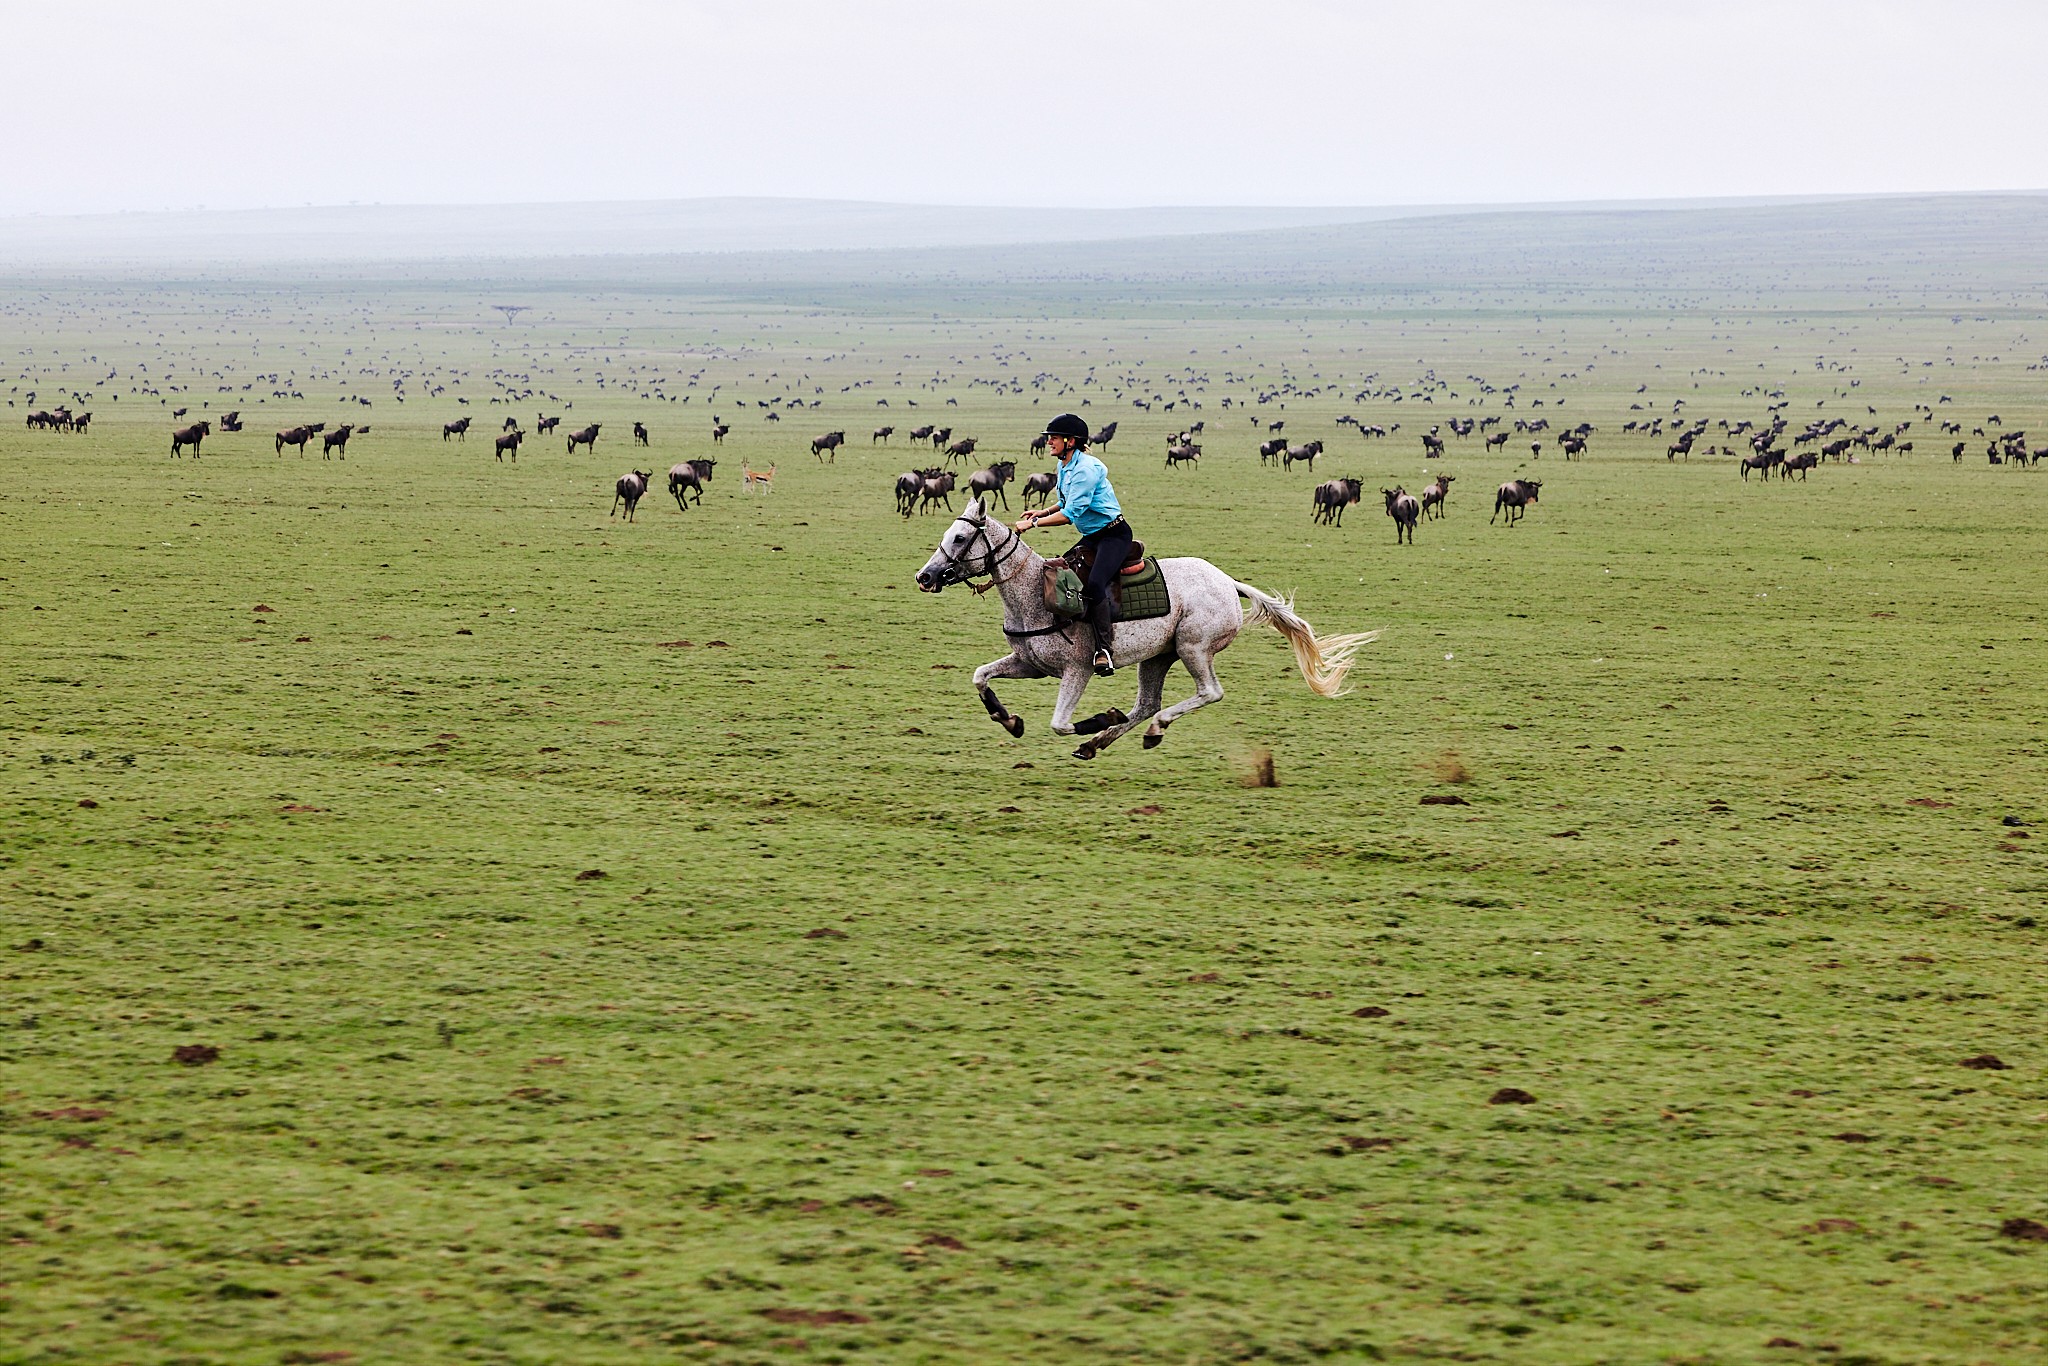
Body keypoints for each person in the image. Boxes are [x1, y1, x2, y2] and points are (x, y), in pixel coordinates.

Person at [1015, 413, 1131, 676]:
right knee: (1063, 574)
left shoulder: (1086, 470)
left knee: (1094, 584)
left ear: (1070, 441)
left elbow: (1070, 515)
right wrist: (1041, 512)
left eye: (1053, 438)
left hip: (1114, 535)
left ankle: (1104, 651)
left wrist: (1032, 525)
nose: (1049, 443)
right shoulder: (1064, 464)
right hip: (1093, 536)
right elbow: (1065, 502)